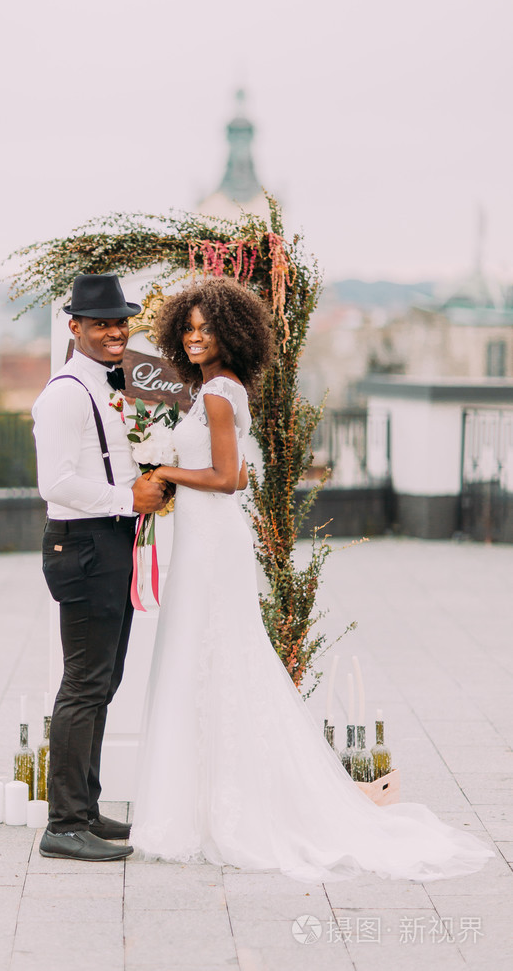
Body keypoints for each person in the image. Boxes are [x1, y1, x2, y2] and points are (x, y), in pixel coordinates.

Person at [130, 275, 494, 882]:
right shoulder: (219, 388)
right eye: (187, 328)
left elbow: (226, 479)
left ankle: (210, 809)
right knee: (210, 655)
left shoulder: (218, 392)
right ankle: (207, 801)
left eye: (206, 328)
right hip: (204, 537)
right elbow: (235, 474)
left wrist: (163, 469)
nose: (194, 337)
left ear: (229, 333)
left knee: (208, 653)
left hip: (211, 540)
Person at [32, 273, 165, 862]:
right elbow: (55, 484)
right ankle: (63, 825)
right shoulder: (65, 393)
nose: (115, 332)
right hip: (83, 544)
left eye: (120, 322)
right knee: (84, 684)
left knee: (102, 682)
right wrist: (127, 498)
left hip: (108, 541)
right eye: (101, 323)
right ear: (75, 327)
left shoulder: (107, 383)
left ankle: (84, 809)